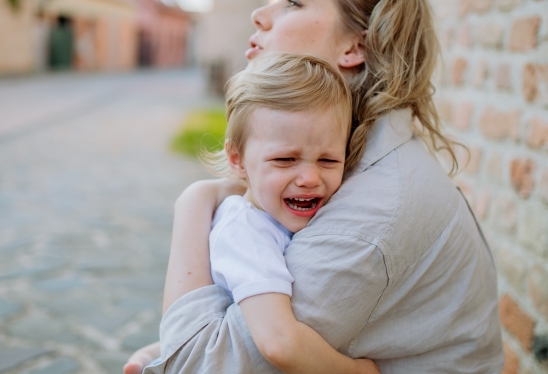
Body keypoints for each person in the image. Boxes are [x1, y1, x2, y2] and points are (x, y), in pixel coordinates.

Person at [129, 0, 504, 372]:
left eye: (293, 2)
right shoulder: (357, 159)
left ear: (356, 46)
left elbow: (191, 364)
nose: (260, 15)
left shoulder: (369, 214)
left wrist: (196, 200)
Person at [125, 54, 381, 374]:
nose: (310, 178)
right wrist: (356, 371)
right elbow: (278, 342)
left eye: (328, 161)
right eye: (286, 159)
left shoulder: (275, 215)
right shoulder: (247, 232)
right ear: (237, 160)